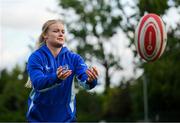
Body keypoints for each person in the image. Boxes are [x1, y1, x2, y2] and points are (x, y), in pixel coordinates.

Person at [25, 19, 99, 122]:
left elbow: (86, 82)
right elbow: (38, 83)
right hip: (39, 119)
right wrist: (57, 78)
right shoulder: (36, 57)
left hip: (66, 119)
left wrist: (91, 80)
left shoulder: (74, 58)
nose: (60, 34)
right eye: (56, 31)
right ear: (45, 35)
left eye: (63, 32)